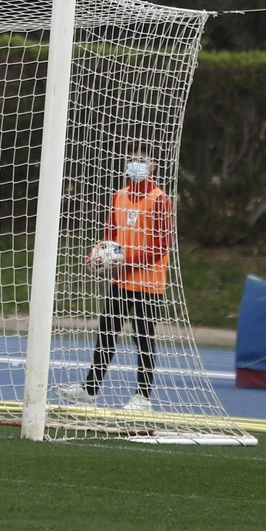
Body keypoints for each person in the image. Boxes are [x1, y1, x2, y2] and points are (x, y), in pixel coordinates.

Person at [56, 143, 173, 412]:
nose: (135, 165)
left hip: (148, 283)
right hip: (120, 281)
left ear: (152, 166)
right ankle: (89, 390)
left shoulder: (160, 199)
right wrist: (96, 257)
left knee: (144, 338)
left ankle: (142, 397)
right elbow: (110, 235)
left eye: (141, 160)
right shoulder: (118, 196)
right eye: (131, 159)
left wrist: (123, 263)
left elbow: (160, 246)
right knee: (106, 335)